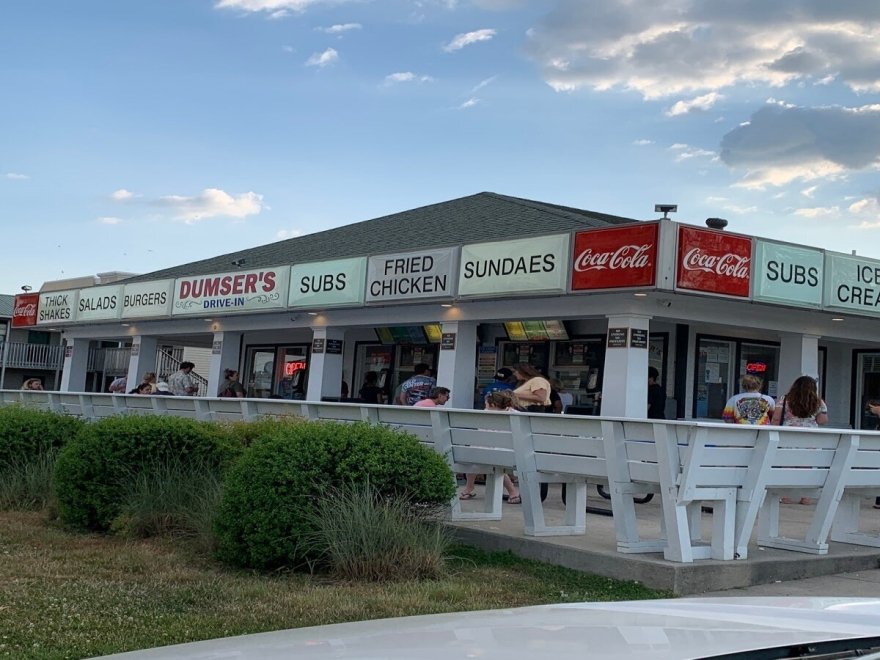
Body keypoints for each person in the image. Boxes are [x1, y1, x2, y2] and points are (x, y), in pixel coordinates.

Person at [771, 375, 828, 505]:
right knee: (806, 467)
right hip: (810, 438)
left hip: (788, 437)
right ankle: (805, 497)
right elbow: (822, 420)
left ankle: (786, 496)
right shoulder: (818, 402)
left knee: (787, 466)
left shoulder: (785, 400)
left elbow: (776, 418)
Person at [458, 390, 521, 504]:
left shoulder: (485, 414)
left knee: (479, 455)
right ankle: (512, 492)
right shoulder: (516, 414)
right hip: (510, 451)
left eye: (486, 404)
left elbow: (480, 436)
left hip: (497, 453)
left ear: (492, 404)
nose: (485, 406)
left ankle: (469, 487)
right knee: (487, 455)